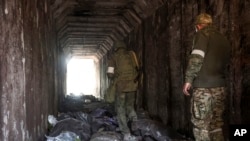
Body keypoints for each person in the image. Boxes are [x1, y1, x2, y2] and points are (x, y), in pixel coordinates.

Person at [183, 13, 231, 141]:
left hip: (203, 88)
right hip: (220, 87)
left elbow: (196, 59)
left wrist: (188, 80)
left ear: (198, 26)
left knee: (201, 126)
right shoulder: (223, 39)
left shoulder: (202, 35)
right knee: (216, 125)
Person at [106, 40, 138, 141]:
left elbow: (110, 73)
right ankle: (137, 128)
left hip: (121, 87)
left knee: (120, 109)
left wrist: (114, 77)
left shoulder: (114, 57)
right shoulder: (132, 54)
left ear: (116, 48)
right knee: (130, 107)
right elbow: (137, 68)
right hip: (132, 86)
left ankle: (126, 133)